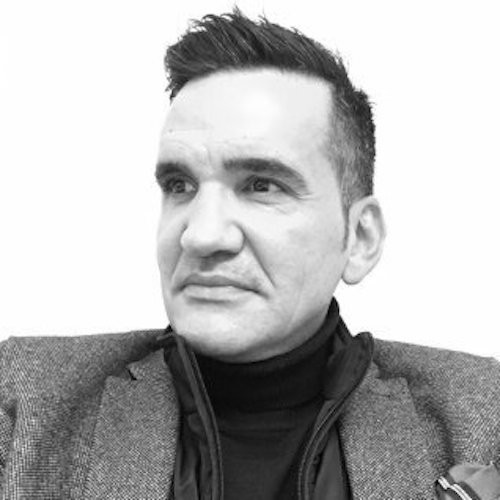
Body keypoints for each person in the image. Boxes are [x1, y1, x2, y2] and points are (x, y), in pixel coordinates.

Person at [0, 9, 499, 500]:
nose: (201, 235)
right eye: (180, 185)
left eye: (261, 185)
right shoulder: (25, 401)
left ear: (360, 239)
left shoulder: (481, 415)